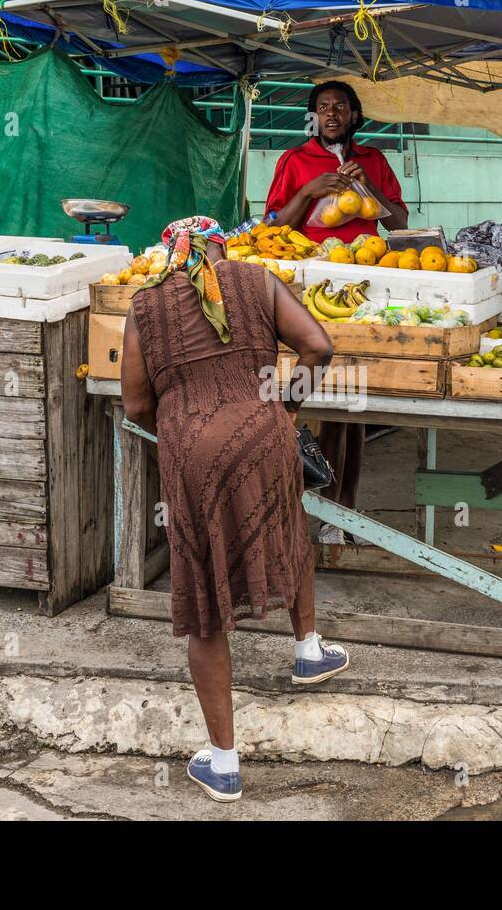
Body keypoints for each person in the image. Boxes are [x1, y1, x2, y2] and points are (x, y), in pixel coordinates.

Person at [120, 216, 349, 804]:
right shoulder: (258, 279)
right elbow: (318, 346)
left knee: (201, 598)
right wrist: (283, 410)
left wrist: (178, 429)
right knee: (288, 526)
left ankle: (223, 765)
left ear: (171, 257)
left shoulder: (144, 310)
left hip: (191, 449)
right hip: (265, 430)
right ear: (222, 247)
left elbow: (136, 403)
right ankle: (307, 651)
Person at [265, 81, 409, 543]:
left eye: (340, 108)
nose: (331, 114)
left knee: (353, 405)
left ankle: (341, 513)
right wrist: (308, 191)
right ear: (313, 116)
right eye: (323, 108)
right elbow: (272, 224)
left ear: (353, 114)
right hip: (309, 288)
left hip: (366, 285)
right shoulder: (294, 160)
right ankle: (304, 504)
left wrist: (370, 191)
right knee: (318, 394)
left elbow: (399, 221)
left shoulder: (374, 160)